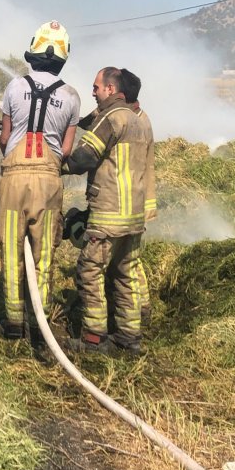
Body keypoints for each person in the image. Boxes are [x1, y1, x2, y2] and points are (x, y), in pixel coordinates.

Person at [0, 21, 81, 348]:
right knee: (43, 255)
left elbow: (5, 138)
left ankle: (14, 321)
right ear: (62, 58)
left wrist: (6, 141)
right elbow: (66, 150)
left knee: (12, 251)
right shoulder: (71, 96)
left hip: (14, 181)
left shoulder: (15, 86)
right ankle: (39, 323)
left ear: (34, 51)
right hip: (48, 182)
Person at [61, 67, 154, 354]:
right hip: (133, 216)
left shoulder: (111, 117)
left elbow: (84, 158)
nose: (93, 92)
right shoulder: (139, 120)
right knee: (126, 275)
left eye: (96, 87)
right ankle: (129, 338)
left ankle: (93, 338)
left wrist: (55, 165)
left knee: (90, 271)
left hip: (109, 214)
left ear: (111, 89)